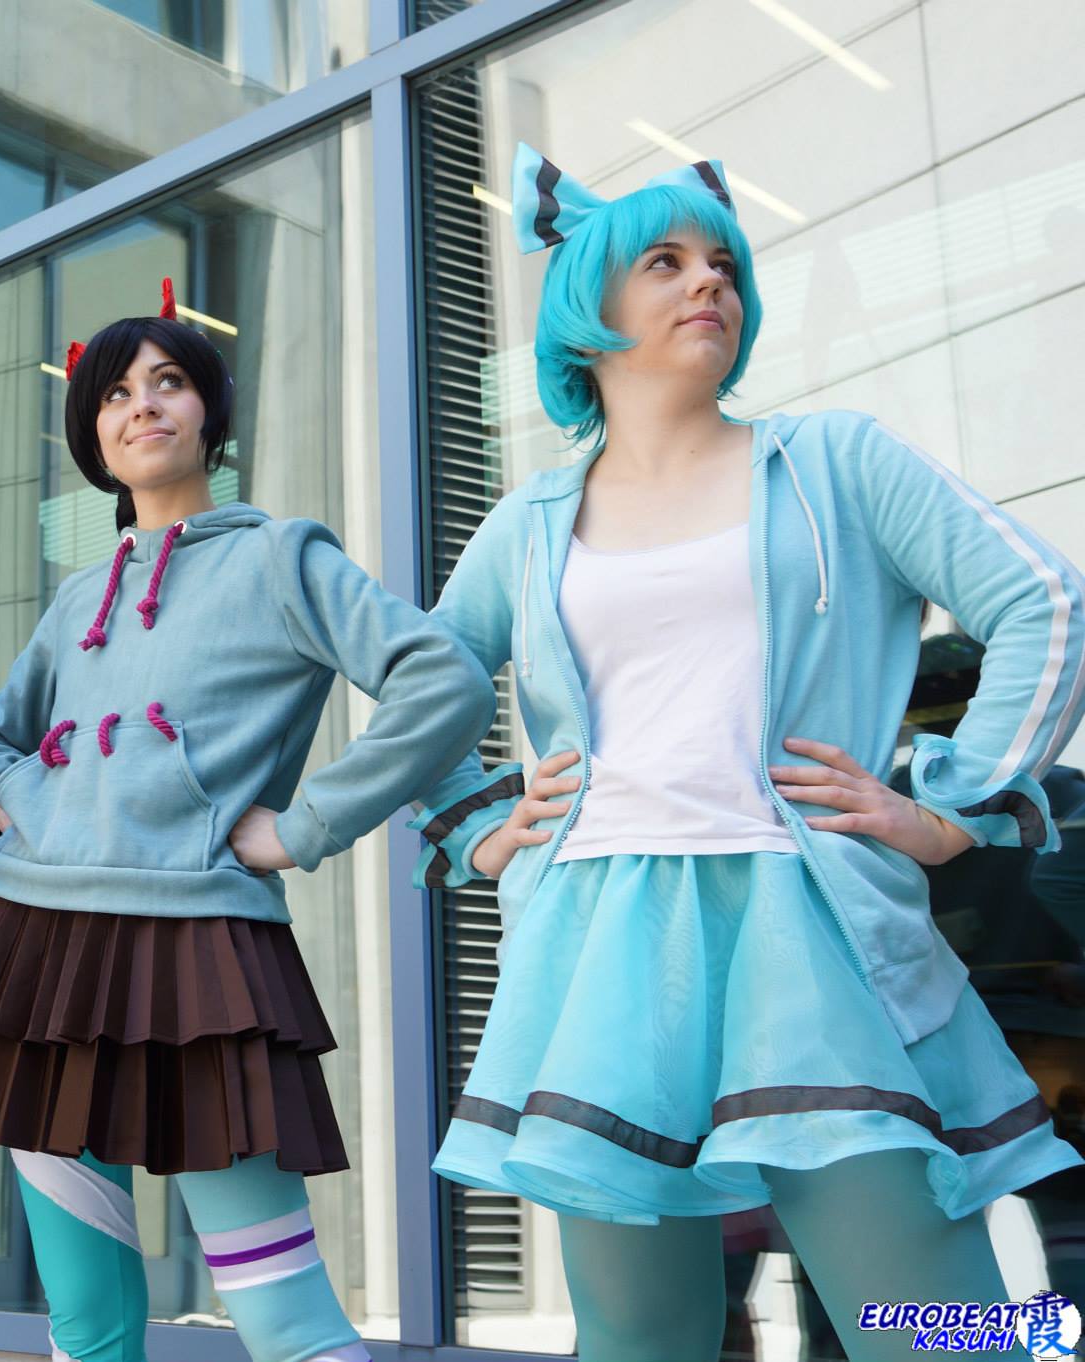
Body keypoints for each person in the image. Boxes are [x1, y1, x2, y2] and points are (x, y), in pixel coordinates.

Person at [413, 144, 1085, 1361]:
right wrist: (484, 827)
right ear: (586, 307)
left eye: (721, 262)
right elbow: (424, 686)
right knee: (639, 1338)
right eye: (663, 262)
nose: (706, 281)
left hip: (807, 930)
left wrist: (955, 804)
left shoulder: (834, 461)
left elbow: (1042, 598)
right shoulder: (526, 524)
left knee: (939, 1329)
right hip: (598, 947)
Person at [0, 280, 496, 1362]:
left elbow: (442, 682)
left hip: (196, 955)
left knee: (283, 1321)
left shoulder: (280, 557)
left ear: (210, 411)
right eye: (115, 393)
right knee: (85, 1321)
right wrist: (18, 798)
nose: (142, 405)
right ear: (92, 434)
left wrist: (305, 826)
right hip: (31, 948)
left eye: (167, 382)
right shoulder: (78, 596)